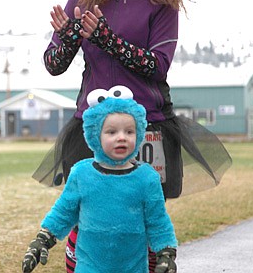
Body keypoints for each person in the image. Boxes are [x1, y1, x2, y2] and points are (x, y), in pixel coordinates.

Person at [32, 0, 232, 272]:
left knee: (145, 215)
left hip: (148, 124)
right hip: (90, 125)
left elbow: (157, 66)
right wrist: (68, 37)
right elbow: (53, 65)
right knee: (83, 214)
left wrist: (104, 37)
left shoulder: (161, 1)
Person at [22, 86, 178, 273]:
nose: (121, 137)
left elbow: (158, 221)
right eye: (112, 132)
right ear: (95, 135)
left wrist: (166, 253)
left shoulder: (147, 178)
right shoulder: (81, 173)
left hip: (132, 267)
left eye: (129, 132)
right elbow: (64, 212)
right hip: (90, 267)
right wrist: (42, 240)